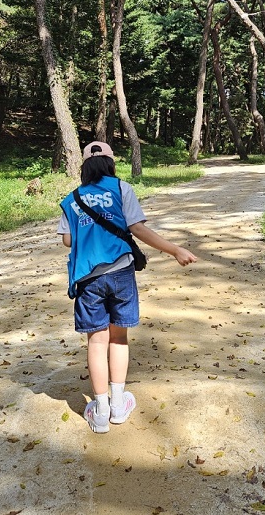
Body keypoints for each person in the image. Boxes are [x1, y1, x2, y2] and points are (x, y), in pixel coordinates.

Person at [58, 141, 198, 433]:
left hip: (87, 279)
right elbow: (138, 228)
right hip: (121, 273)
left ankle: (100, 411)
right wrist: (174, 250)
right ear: (111, 163)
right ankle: (119, 404)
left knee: (97, 343)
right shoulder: (121, 189)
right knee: (118, 338)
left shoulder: (71, 199)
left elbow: (68, 241)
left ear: (83, 167)